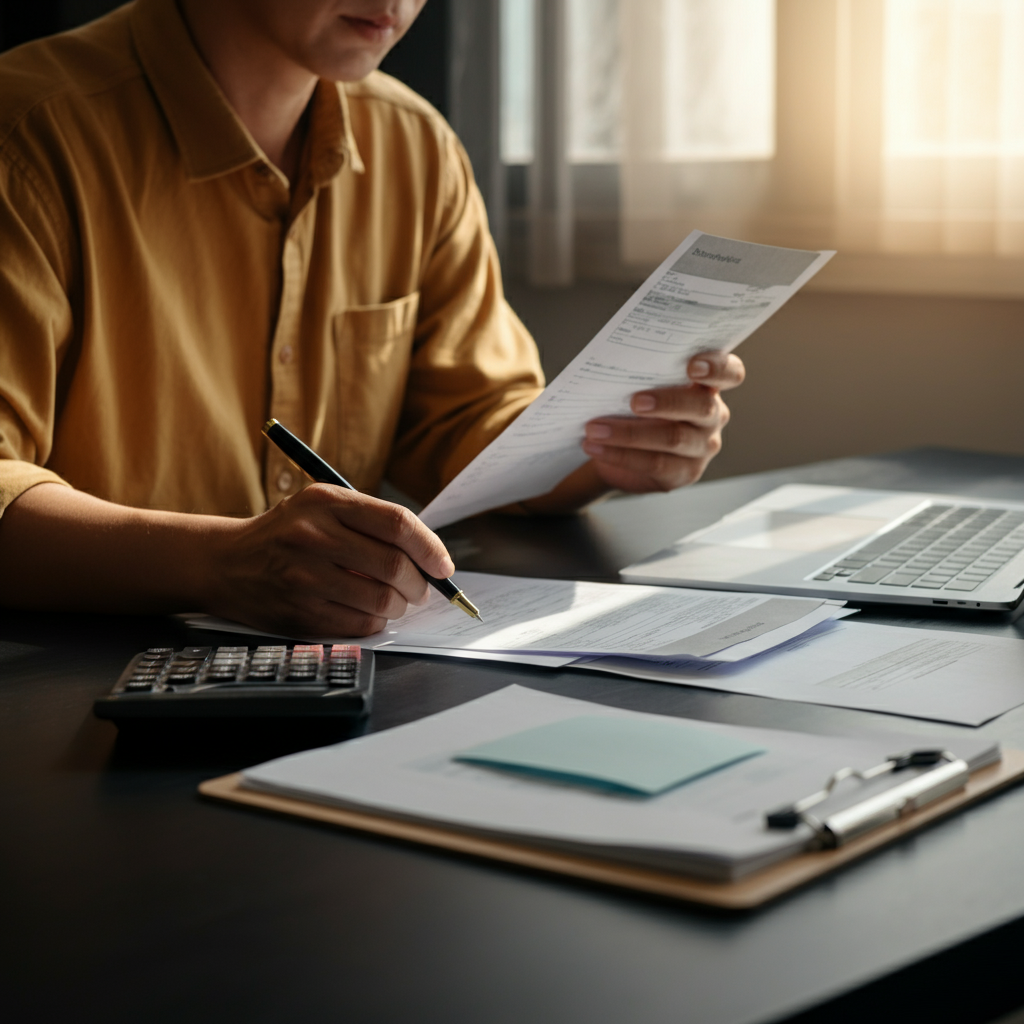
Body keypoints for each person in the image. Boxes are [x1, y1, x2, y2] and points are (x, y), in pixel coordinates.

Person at [0, 0, 745, 637]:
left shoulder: (413, 146)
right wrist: (220, 561)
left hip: (324, 667)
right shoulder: (25, 136)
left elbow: (464, 423)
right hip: (63, 678)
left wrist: (608, 441)